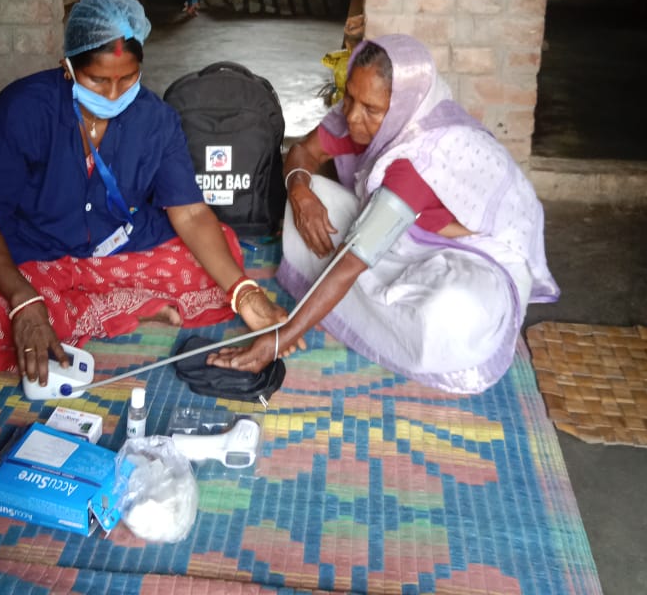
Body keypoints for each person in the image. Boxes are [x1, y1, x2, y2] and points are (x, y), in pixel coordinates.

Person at [0, 0, 286, 385]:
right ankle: (118, 307)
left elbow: (191, 213)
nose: (113, 94)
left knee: (221, 254)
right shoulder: (22, 111)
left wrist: (246, 293)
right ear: (67, 67)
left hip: (118, 250)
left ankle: (82, 310)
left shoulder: (156, 120)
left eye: (127, 79)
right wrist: (22, 299)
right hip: (30, 255)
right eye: (97, 80)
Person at [210, 35, 559, 395]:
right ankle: (366, 303)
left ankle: (380, 315)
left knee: (448, 313)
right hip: (401, 231)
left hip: (473, 258)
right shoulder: (365, 119)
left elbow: (349, 263)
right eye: (349, 98)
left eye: (370, 109)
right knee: (315, 198)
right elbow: (303, 151)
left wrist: (279, 339)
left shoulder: (420, 154)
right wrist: (299, 191)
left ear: (403, 107)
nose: (351, 116)